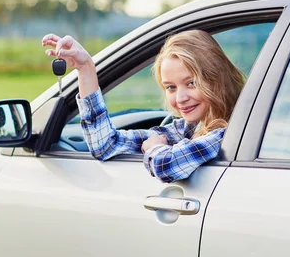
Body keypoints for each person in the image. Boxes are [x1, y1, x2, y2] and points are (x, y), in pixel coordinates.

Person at [42, 30, 245, 183]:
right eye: (171, 87)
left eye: (191, 83)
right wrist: (85, 68)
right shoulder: (188, 129)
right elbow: (105, 145)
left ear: (216, 80)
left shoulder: (227, 133)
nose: (180, 98)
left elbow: (167, 165)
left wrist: (156, 147)